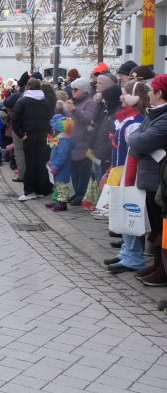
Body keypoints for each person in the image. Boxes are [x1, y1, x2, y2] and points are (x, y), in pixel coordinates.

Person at [126, 74, 167, 287]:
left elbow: (139, 141)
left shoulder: (164, 117)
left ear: (159, 93)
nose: (148, 94)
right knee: (158, 227)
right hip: (152, 178)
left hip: (159, 181)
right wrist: (136, 140)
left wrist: (136, 140)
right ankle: (159, 265)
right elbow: (135, 139)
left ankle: (163, 270)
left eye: (151, 90)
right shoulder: (155, 114)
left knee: (163, 227)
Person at [107, 81, 150, 274]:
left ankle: (133, 256)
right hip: (120, 170)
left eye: (124, 93)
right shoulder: (128, 119)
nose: (120, 97)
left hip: (129, 173)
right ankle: (127, 251)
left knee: (130, 212)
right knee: (122, 212)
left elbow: (134, 152)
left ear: (134, 97)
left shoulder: (135, 122)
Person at [13, 79, 54, 201]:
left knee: (30, 164)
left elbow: (14, 119)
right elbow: (51, 119)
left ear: (28, 87)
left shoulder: (22, 102)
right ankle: (42, 189)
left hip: (30, 136)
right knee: (43, 163)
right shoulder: (46, 102)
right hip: (45, 136)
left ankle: (30, 191)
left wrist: (21, 134)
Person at [65, 78, 99, 206]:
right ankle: (77, 193)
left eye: (75, 89)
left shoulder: (90, 102)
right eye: (72, 89)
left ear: (84, 91)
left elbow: (87, 119)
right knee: (74, 171)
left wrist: (74, 110)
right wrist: (59, 109)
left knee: (83, 171)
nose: (73, 92)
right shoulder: (75, 101)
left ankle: (81, 195)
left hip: (84, 141)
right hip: (72, 141)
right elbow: (66, 117)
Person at [45, 115, 74, 212]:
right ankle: (56, 201)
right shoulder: (60, 137)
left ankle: (62, 203)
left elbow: (62, 155)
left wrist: (56, 165)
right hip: (56, 165)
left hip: (61, 167)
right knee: (57, 184)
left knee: (61, 185)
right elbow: (52, 148)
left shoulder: (64, 140)